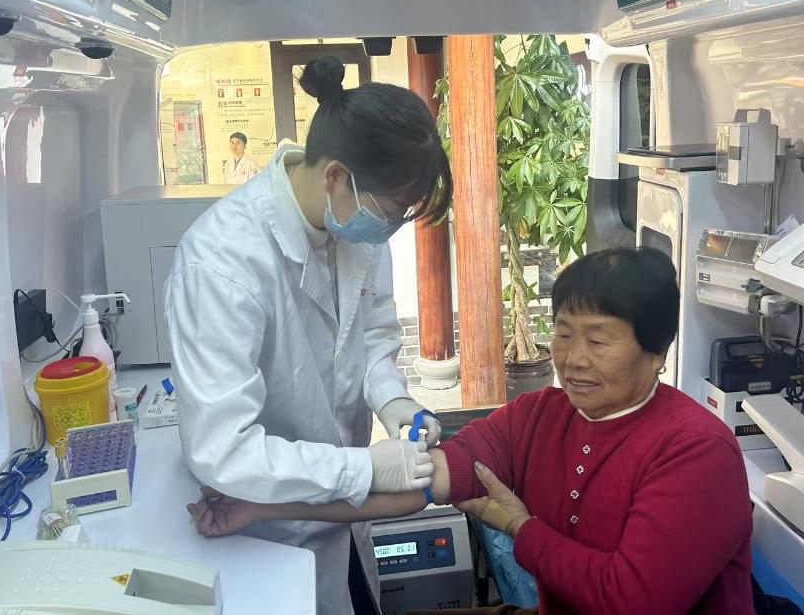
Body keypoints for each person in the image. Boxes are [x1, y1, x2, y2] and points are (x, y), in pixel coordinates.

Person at [187, 247, 755, 615]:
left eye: (598, 340)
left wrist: (521, 528)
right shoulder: (539, 415)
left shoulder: (695, 451)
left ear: (657, 352)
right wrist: (262, 506)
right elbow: (419, 482)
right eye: (563, 334)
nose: (574, 358)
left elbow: (632, 601)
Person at [166, 57, 453, 615]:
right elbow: (222, 449)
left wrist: (393, 399)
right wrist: (365, 469)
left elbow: (372, 335)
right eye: (391, 211)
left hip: (343, 520)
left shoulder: (356, 226)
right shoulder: (222, 262)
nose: (390, 227)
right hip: (265, 530)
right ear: (336, 176)